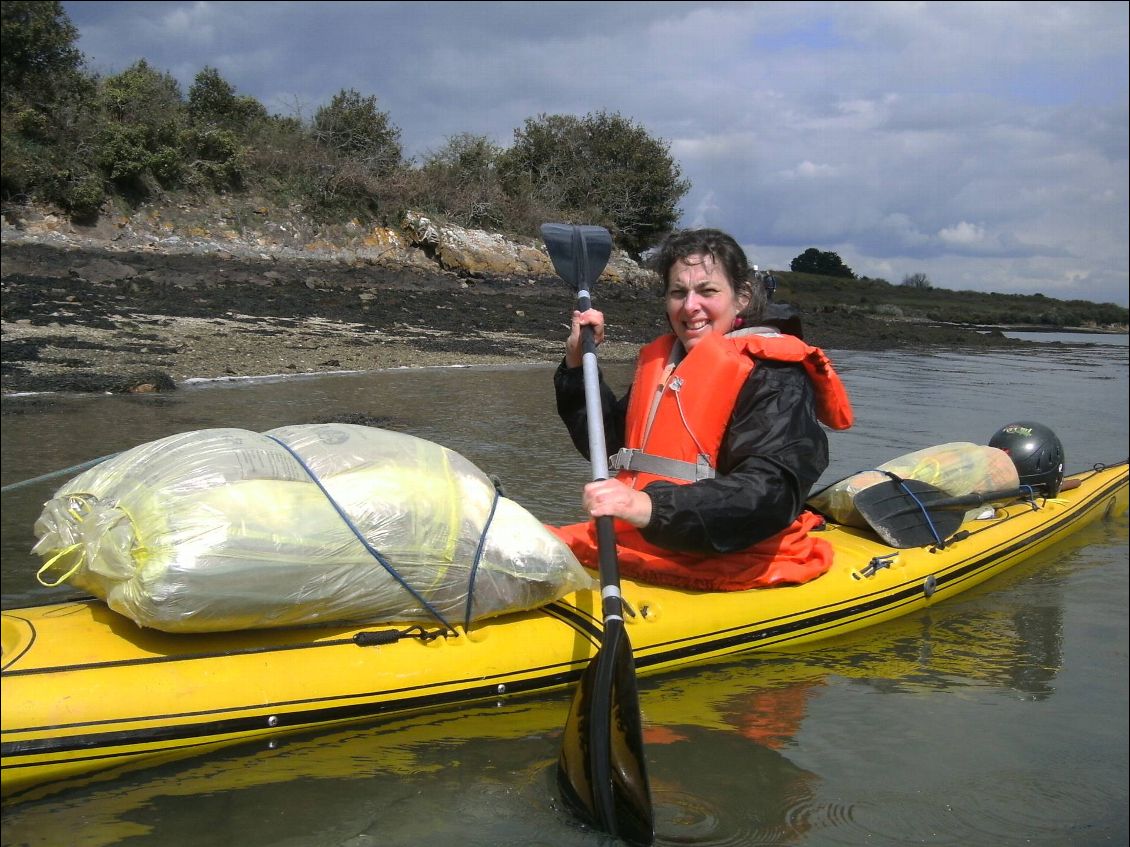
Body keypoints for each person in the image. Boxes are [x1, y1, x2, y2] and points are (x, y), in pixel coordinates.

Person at [550, 228, 853, 591]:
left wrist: (649, 507)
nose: (690, 306)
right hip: (638, 539)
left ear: (741, 298)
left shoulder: (774, 376)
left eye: (707, 291)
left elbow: (770, 492)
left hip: (729, 554)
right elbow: (610, 447)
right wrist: (575, 362)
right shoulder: (670, 363)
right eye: (678, 292)